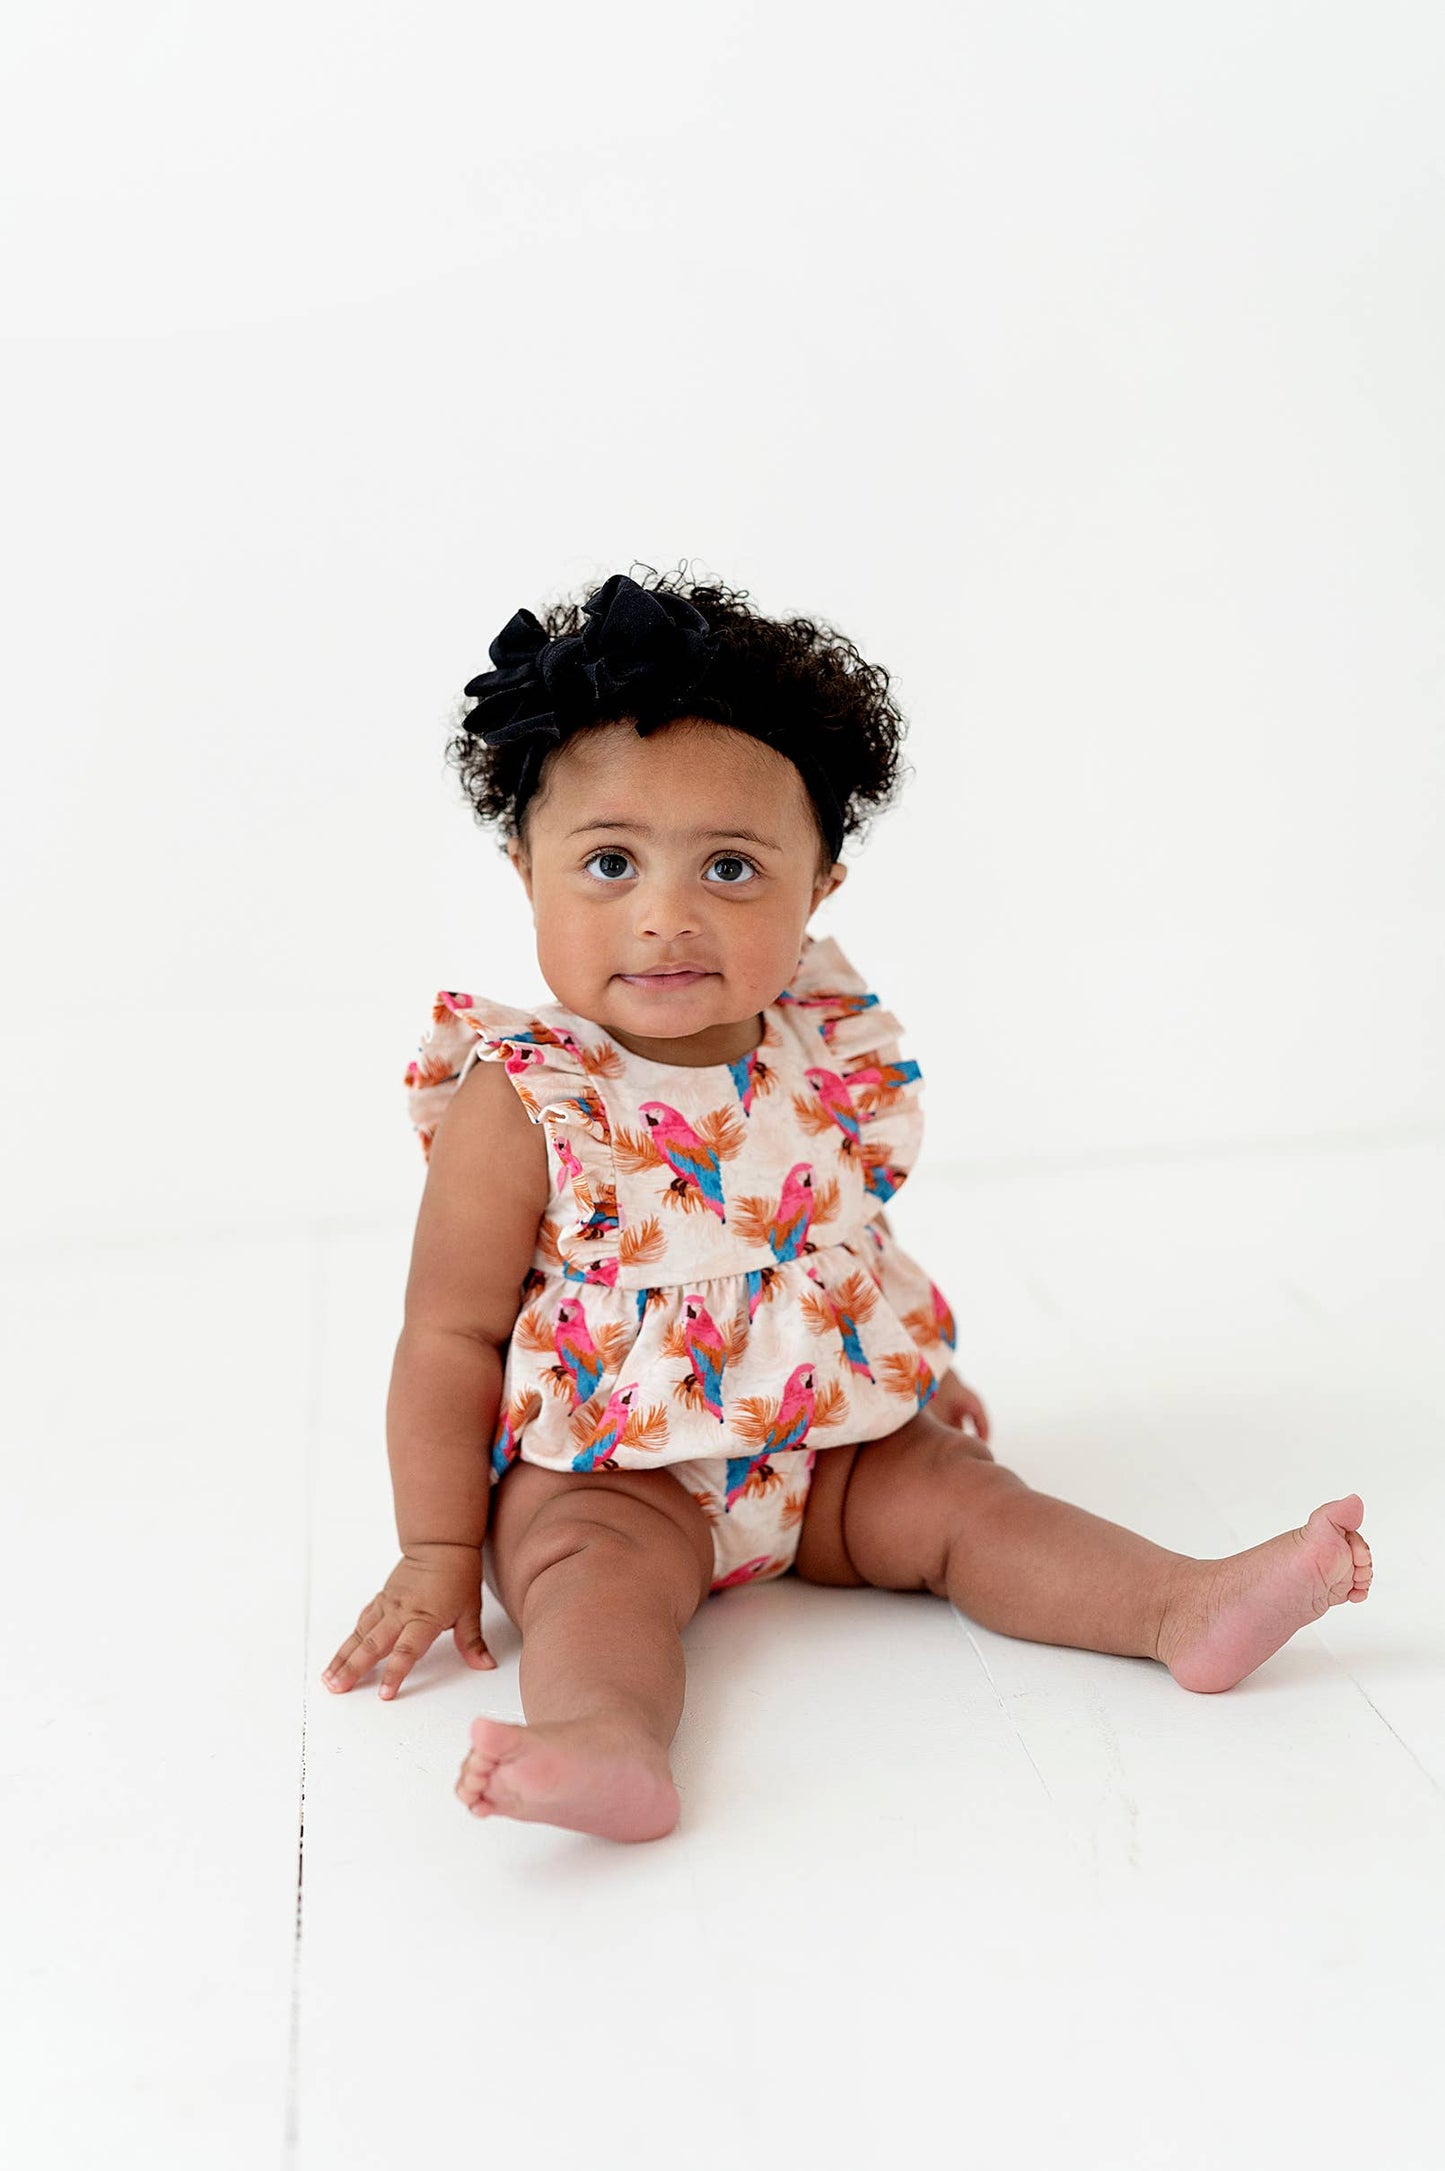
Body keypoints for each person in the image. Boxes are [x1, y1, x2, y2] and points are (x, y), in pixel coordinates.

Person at [322, 565, 1372, 1843]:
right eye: (608, 862)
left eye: (729, 865)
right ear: (522, 866)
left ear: (816, 883)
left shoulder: (818, 1038)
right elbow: (447, 1334)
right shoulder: (529, 1095)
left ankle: (1175, 1605)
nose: (665, 916)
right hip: (607, 1472)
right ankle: (606, 1737)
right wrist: (438, 1550)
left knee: (976, 1505)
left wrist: (910, 1383)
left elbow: (836, 1235)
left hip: (833, 1441)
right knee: (585, 1584)